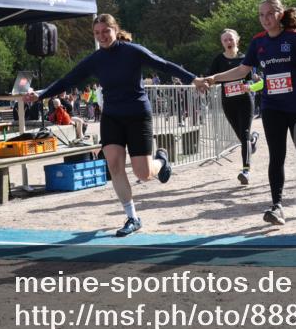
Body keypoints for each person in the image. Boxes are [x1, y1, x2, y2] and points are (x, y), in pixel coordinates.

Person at [24, 14, 196, 237]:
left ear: (115, 30)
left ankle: (161, 161)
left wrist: (193, 79)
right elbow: (68, 79)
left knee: (143, 173)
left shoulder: (133, 51)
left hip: (137, 115)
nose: (102, 36)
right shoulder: (95, 59)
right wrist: (40, 95)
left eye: (106, 31)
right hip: (112, 117)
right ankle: (133, 217)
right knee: (114, 166)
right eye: (97, 33)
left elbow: (164, 64)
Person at [194, 0, 296, 226]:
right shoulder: (258, 42)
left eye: (269, 14)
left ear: (279, 14)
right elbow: (243, 69)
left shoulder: (295, 38)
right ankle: (277, 206)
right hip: (272, 106)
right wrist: (213, 78)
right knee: (276, 155)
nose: (265, 19)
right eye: (261, 15)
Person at [208, 29, 259, 185]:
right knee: (242, 137)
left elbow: (255, 80)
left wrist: (250, 85)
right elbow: (211, 78)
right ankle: (253, 139)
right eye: (225, 40)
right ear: (222, 43)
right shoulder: (218, 60)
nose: (228, 42)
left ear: (237, 40)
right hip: (228, 102)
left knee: (243, 136)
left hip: (245, 101)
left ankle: (246, 171)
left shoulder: (246, 59)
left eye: (231, 39)